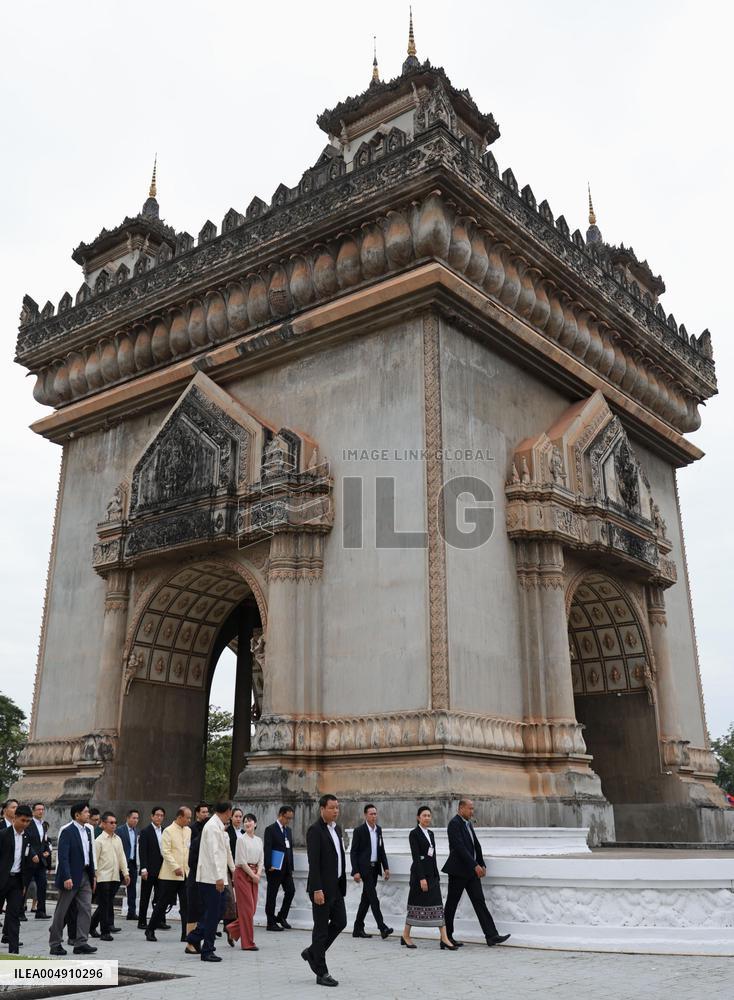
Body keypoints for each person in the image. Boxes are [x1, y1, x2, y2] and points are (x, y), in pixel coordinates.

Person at [442, 799, 510, 948]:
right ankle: (446, 938)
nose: (472, 812)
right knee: (452, 905)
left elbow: (475, 846)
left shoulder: (468, 824)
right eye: (470, 809)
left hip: (471, 873)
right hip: (458, 872)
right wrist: (474, 865)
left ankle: (491, 936)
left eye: (473, 809)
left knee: (479, 902)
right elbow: (460, 848)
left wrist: (482, 864)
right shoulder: (454, 824)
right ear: (461, 808)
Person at [302, 794, 347, 988]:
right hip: (321, 889)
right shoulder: (314, 830)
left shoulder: (336, 829)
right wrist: (317, 889)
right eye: (332, 808)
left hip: (336, 887)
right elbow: (314, 863)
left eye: (337, 807)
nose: (336, 811)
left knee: (341, 921)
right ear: (322, 809)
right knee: (320, 930)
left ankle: (313, 952)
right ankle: (321, 972)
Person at [401, 805, 456, 949]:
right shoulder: (414, 834)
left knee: (438, 907)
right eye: (424, 815)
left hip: (432, 876)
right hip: (420, 877)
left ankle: (444, 938)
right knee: (414, 907)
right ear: (418, 817)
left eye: (429, 816)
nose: (427, 818)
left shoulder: (431, 834)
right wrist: (421, 878)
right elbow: (416, 858)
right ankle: (406, 935)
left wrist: (436, 875)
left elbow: (433, 856)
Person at [186, 802, 234, 962]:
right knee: (213, 913)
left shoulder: (219, 826)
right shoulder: (213, 827)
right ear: (227, 812)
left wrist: (234, 871)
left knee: (219, 910)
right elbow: (214, 854)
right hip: (211, 878)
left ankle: (194, 936)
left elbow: (225, 852)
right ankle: (207, 949)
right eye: (230, 812)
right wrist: (219, 877)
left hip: (217, 877)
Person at [49, 802, 98, 956]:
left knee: (86, 909)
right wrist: (66, 876)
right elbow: (63, 857)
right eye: (86, 812)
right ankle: (55, 943)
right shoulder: (67, 831)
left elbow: (90, 854)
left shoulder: (88, 831)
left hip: (85, 875)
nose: (88, 815)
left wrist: (93, 875)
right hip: (70, 876)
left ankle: (81, 943)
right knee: (61, 911)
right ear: (77, 815)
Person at [146, 806, 191, 943]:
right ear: (179, 817)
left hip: (185, 874)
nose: (189, 820)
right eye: (187, 817)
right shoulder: (168, 831)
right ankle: (150, 929)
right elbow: (165, 852)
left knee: (186, 905)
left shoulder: (188, 831)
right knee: (162, 904)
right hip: (169, 875)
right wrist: (175, 866)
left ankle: (186, 933)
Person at [349, 804, 393, 939]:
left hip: (375, 869)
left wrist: (385, 867)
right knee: (373, 899)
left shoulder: (378, 830)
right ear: (365, 815)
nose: (374, 816)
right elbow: (353, 852)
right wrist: (355, 871)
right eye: (371, 814)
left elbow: (382, 850)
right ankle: (382, 927)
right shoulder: (359, 831)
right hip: (364, 870)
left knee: (366, 900)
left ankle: (357, 928)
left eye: (375, 814)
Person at [226, 813, 263, 951]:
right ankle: (248, 943)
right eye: (245, 821)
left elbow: (261, 860)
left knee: (252, 910)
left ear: (255, 824)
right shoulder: (241, 839)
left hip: (254, 874)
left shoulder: (259, 840)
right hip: (242, 874)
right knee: (247, 910)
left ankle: (231, 928)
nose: (247, 823)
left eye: (250, 821)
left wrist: (258, 874)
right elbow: (241, 861)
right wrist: (253, 875)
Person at [90, 812, 129, 941]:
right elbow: (94, 861)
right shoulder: (99, 841)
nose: (114, 825)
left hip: (115, 876)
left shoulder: (118, 839)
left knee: (105, 904)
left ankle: (91, 926)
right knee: (105, 904)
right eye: (111, 822)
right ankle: (105, 931)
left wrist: (126, 873)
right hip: (103, 877)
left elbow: (122, 856)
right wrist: (94, 877)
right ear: (104, 824)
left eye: (115, 822)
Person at [0, 804, 33, 954]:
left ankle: (14, 952)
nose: (25, 824)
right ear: (15, 818)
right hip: (2, 880)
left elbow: (26, 862)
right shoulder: (3, 835)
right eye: (23, 820)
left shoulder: (27, 837)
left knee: (14, 916)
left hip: (17, 882)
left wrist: (24, 884)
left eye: (28, 821)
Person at [263, 805, 295, 931]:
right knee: (272, 895)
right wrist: (268, 864)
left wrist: (291, 865)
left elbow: (289, 849)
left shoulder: (288, 831)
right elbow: (268, 848)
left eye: (290, 819)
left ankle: (281, 916)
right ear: (280, 815)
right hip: (274, 868)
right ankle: (270, 922)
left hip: (286, 868)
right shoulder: (270, 829)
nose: (288, 821)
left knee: (291, 891)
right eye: (287, 818)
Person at [185, 803, 209, 950]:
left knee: (200, 911)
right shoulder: (196, 840)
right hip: (195, 879)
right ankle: (190, 943)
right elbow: (191, 862)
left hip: (203, 880)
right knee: (193, 910)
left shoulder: (206, 841)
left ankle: (195, 941)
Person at [137, 806, 166, 929]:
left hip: (162, 870)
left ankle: (159, 921)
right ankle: (142, 921)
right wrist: (143, 869)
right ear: (152, 816)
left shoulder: (165, 831)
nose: (159, 817)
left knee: (161, 897)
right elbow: (142, 851)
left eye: (161, 815)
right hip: (149, 870)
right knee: (145, 896)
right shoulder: (145, 831)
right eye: (157, 815)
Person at [25, 803, 51, 920]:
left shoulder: (44, 825)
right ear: (33, 811)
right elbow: (26, 841)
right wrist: (32, 854)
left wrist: (47, 851)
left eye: (42, 809)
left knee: (42, 885)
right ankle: (20, 911)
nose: (41, 811)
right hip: (30, 860)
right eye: (38, 809)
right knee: (25, 885)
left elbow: (44, 841)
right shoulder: (28, 824)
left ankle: (41, 911)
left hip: (41, 861)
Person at [117, 809, 140, 920]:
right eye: (133, 818)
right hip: (121, 863)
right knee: (115, 886)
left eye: (137, 818)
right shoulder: (120, 830)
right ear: (128, 818)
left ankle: (131, 912)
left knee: (132, 889)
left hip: (132, 863)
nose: (136, 820)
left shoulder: (137, 831)